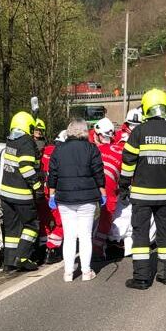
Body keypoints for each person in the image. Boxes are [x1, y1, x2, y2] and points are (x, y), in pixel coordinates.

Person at [119, 89, 166, 290]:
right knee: (165, 235)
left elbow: (128, 162)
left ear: (146, 108)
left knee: (140, 236)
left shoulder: (138, 132)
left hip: (141, 195)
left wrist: (123, 185)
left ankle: (141, 278)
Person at [47, 118, 106, 282]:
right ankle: (86, 272)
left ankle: (68, 272)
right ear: (84, 131)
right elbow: (98, 173)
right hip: (87, 198)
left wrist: (52, 194)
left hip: (65, 198)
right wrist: (102, 192)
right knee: (86, 236)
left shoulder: (58, 150)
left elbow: (53, 174)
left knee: (69, 236)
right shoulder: (91, 148)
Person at [0, 111, 43, 271]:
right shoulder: (26, 142)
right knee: (32, 225)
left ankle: (9, 263)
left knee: (12, 229)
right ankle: (23, 257)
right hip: (21, 194)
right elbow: (26, 167)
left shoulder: (10, 140)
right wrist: (37, 188)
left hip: (6, 194)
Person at [92, 117, 122, 258]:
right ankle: (96, 245)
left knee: (99, 216)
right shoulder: (119, 149)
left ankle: (95, 246)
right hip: (106, 187)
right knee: (104, 217)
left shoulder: (92, 148)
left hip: (97, 186)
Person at [39, 132, 65, 264]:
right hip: (56, 194)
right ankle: (52, 249)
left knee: (44, 222)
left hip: (41, 194)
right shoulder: (63, 155)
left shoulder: (44, 151)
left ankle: (43, 249)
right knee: (61, 223)